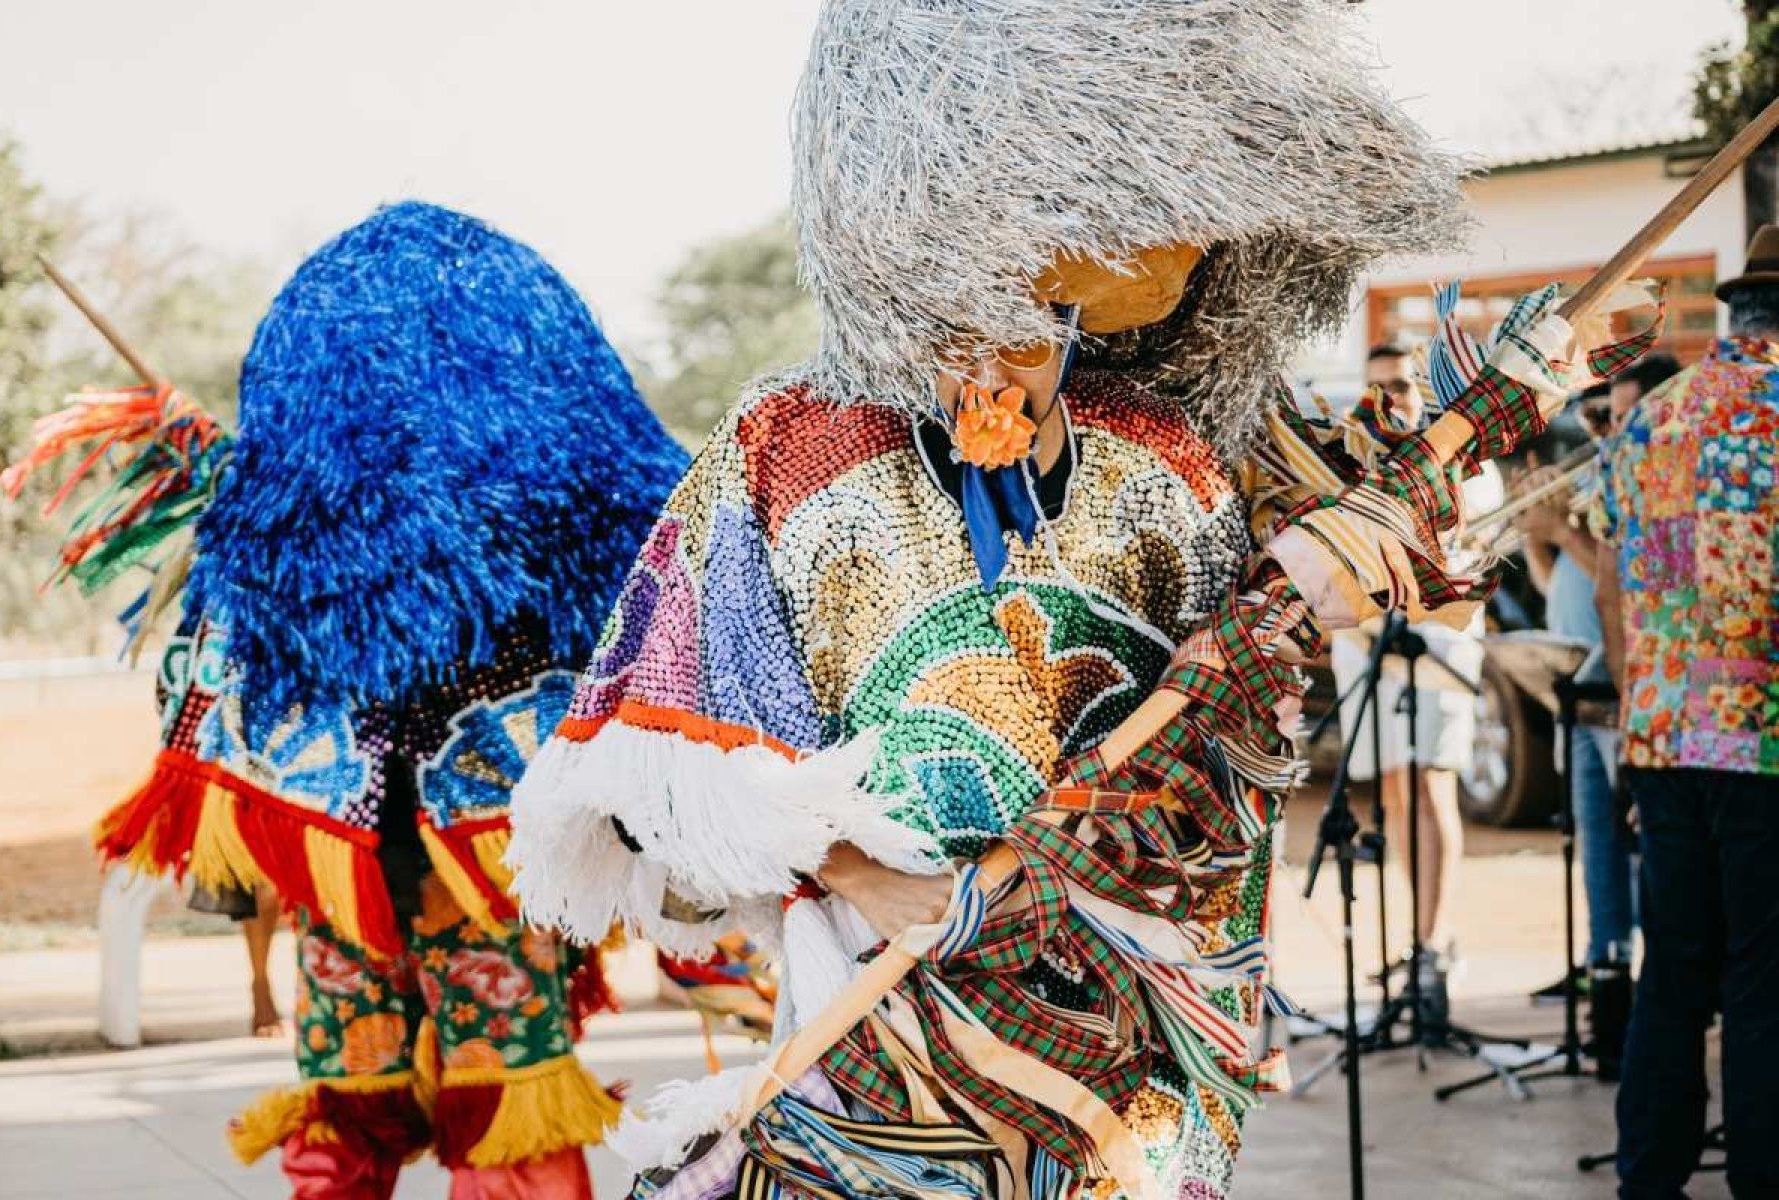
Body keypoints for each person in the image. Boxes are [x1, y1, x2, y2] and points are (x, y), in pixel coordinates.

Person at [506, 3, 1653, 1192]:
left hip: (1110, 1024)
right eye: (958, 328)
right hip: (879, 1020)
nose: (995, 365)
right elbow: (657, 781)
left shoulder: (1173, 465)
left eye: (1030, 331)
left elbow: (1259, 697)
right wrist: (871, 881)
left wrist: (1358, 563)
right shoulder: (788, 448)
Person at [8, 202, 689, 1198]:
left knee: (440, 1118)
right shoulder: (484, 551)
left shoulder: (296, 548)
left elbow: (204, 680)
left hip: (421, 865)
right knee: (460, 1119)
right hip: (424, 866)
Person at [1599, 228, 1779, 1198]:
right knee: (1762, 983)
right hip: (1763, 740)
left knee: (1672, 971)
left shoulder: (1648, 420)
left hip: (1663, 738)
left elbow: (1607, 594)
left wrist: (1642, 723)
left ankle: (1649, 1182)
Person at [1330, 344, 1502, 1027]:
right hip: (1369, 641)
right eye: (1375, 389)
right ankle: (1413, 934)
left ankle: (1434, 942)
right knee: (1394, 789)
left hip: (1436, 635)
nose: (1388, 400)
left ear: (1420, 390)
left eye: (1398, 385)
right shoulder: (1351, 459)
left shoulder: (1463, 457)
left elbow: (1473, 544)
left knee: (1434, 784)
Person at [1519, 357, 1678, 1076]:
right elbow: (1559, 584)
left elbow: (1622, 578)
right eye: (1597, 417)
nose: (1604, 429)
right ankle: (1604, 969)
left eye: (1615, 415)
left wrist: (1562, 532)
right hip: (1580, 685)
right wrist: (1534, 534)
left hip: (1627, 690)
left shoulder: (1654, 480)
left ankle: (1656, 986)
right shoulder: (1601, 480)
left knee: (1638, 843)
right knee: (1594, 840)